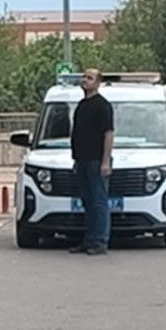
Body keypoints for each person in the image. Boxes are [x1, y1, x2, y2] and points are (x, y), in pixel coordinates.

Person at [70, 69, 114, 255]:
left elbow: (108, 134)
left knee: (98, 202)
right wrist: (76, 159)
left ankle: (100, 241)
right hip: (82, 160)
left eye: (90, 78)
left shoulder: (103, 106)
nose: (85, 80)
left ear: (97, 83)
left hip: (96, 161)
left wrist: (105, 161)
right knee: (87, 201)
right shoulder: (81, 105)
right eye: (84, 77)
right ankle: (88, 240)